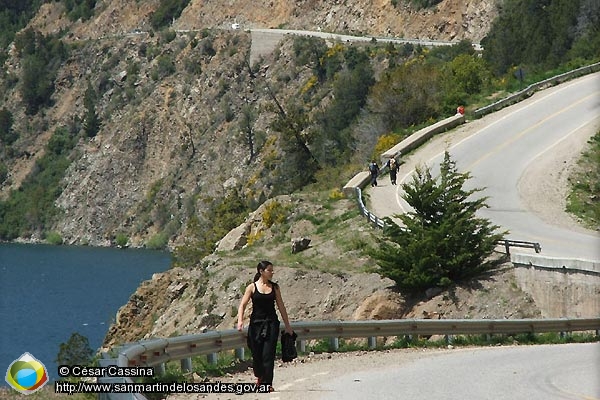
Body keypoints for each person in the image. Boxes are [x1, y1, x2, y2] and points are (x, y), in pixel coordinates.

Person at [237, 261, 293, 391]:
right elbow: (242, 305)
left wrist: (288, 326)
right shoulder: (251, 287)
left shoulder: (275, 288)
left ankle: (267, 384)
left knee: (268, 354)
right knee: (257, 354)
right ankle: (260, 375)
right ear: (261, 271)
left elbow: (281, 307)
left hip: (271, 324)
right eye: (270, 270)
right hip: (256, 324)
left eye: (272, 270)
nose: (272, 273)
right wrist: (240, 321)